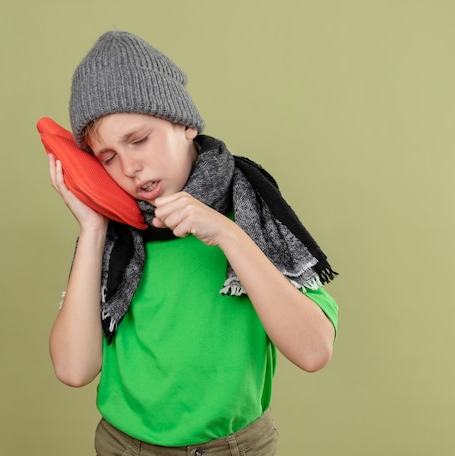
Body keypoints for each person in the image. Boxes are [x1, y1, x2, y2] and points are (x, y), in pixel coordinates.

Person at [47, 30, 339, 456]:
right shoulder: (115, 230)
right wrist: (92, 230)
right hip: (124, 446)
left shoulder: (251, 209)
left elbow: (314, 351)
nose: (129, 167)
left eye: (139, 139)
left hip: (236, 447)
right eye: (108, 157)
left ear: (184, 123)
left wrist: (227, 234)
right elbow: (74, 369)